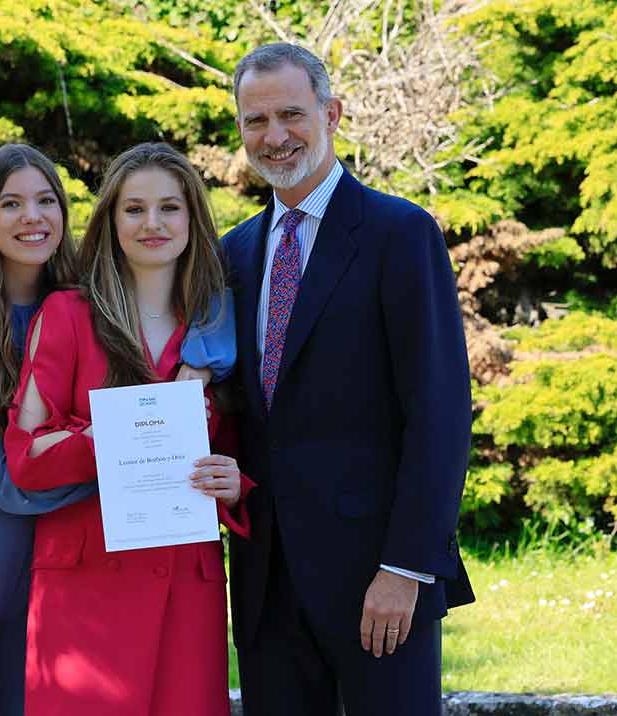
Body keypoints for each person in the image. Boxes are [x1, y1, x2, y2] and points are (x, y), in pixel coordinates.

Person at [0, 143, 237, 715]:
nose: (32, 216)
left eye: (46, 200)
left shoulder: (202, 324)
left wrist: (220, 477)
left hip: (126, 564)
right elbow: (12, 477)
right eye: (11, 203)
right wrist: (133, 448)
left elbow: (229, 448)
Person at [222, 43, 475, 716]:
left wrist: (407, 567)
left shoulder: (400, 234)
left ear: (331, 113)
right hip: (266, 588)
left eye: (291, 115)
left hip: (378, 581)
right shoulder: (234, 254)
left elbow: (440, 413)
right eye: (255, 121)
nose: (274, 137)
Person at [4, 142, 252, 716]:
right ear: (110, 221)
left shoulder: (220, 327)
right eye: (134, 209)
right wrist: (126, 430)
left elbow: (242, 460)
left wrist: (235, 483)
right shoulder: (66, 314)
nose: (152, 224)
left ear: (193, 218)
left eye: (169, 208)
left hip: (185, 587)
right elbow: (26, 455)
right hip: (85, 586)